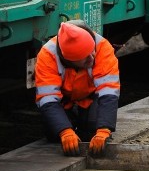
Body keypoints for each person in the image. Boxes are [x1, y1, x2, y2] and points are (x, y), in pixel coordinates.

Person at [34, 20, 120, 157]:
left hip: (91, 97)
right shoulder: (47, 56)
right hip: (64, 100)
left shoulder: (102, 47)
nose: (91, 57)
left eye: (91, 51)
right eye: (84, 58)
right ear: (69, 60)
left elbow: (108, 91)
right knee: (54, 133)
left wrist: (104, 129)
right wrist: (64, 131)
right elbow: (47, 98)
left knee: (92, 130)